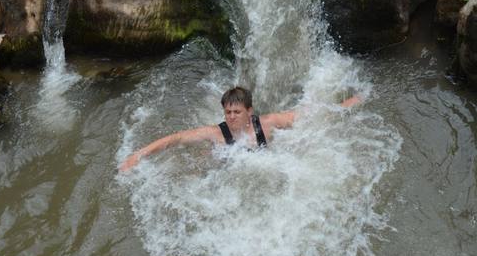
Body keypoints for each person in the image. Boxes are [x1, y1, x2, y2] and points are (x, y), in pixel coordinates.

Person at [119, 85, 361, 171]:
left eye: (237, 112)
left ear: (249, 112)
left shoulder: (268, 123)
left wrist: (350, 103)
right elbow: (177, 138)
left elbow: (311, 116)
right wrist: (138, 155)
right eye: (228, 112)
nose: (232, 117)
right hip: (225, 169)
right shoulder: (216, 133)